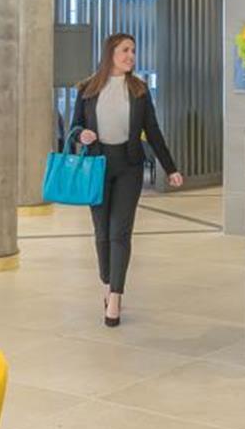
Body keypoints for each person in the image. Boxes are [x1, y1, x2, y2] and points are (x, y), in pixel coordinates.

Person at [71, 33, 182, 328]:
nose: (131, 55)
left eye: (133, 50)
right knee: (102, 234)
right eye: (125, 50)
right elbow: (74, 129)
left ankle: (116, 297)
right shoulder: (87, 89)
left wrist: (170, 168)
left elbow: (154, 131)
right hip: (96, 166)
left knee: (120, 232)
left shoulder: (140, 90)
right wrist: (81, 135)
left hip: (129, 167)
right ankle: (108, 284)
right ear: (111, 53)